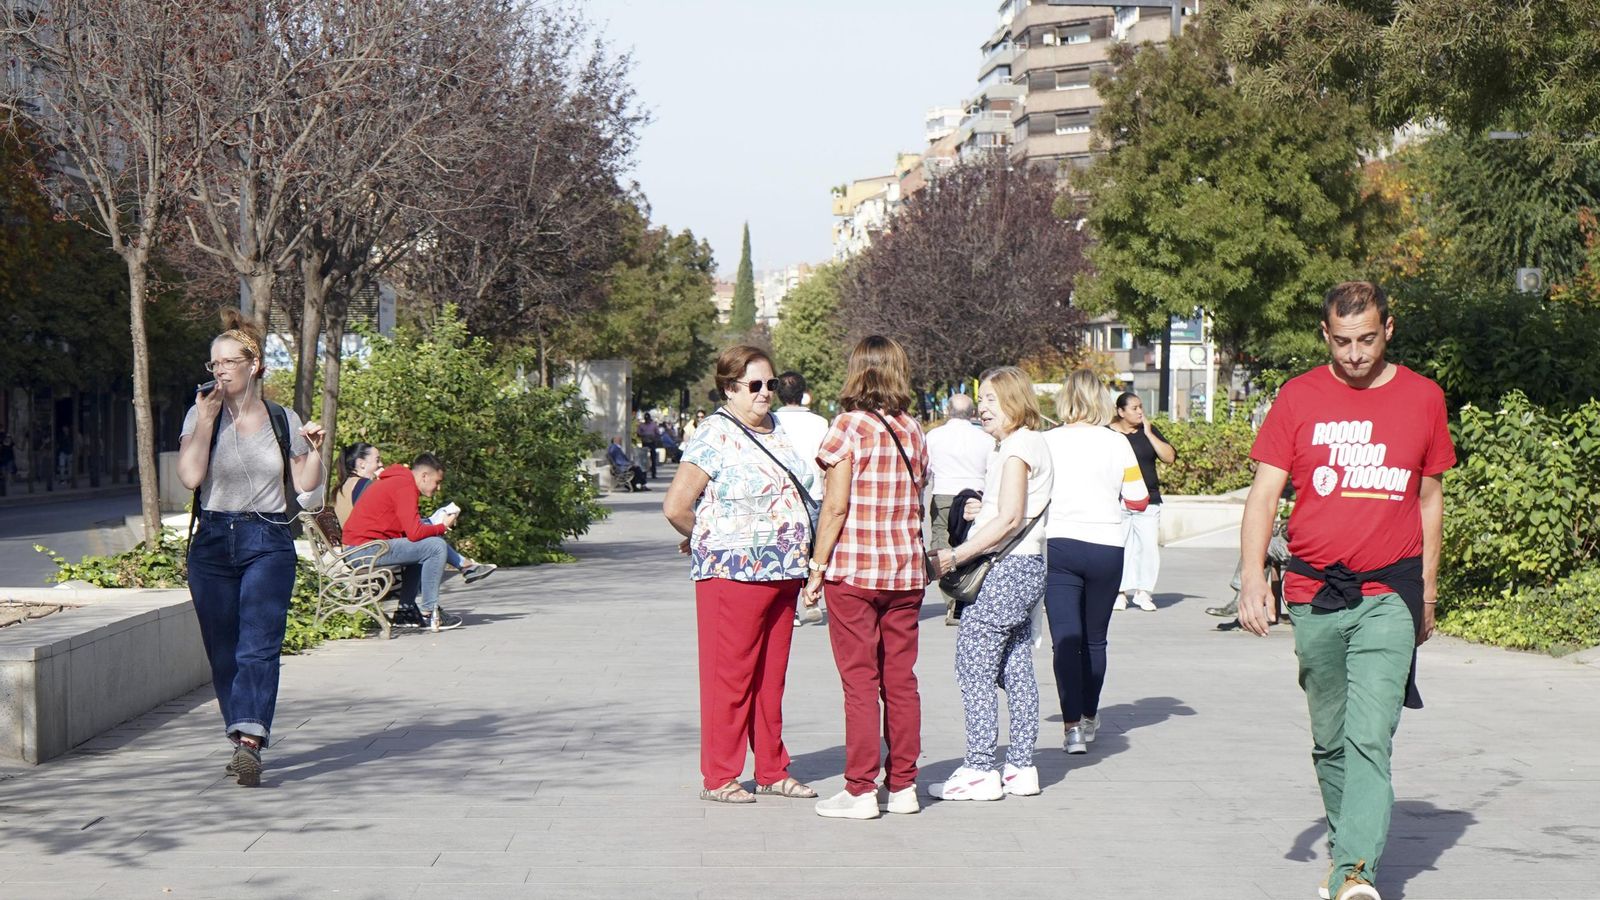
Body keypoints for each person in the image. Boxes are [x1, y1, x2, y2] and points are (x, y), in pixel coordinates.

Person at [1239, 281, 1454, 900]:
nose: (1355, 353)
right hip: (1313, 592)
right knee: (1330, 737)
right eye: (1341, 342)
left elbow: (1430, 499)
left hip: (1390, 591)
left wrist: (1428, 594)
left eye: (1366, 339)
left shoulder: (1423, 397)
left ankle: (1355, 871)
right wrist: (1254, 578)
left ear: (1389, 329)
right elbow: (1263, 494)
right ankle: (1345, 849)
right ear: (1324, 336)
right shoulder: (1299, 396)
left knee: (1369, 733)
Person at [662, 345, 817, 805]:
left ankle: (771, 768)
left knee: (771, 680)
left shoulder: (778, 429)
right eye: (755, 385)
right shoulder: (714, 434)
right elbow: (675, 506)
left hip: (784, 572)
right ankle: (720, 775)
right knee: (729, 679)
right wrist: (710, 537)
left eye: (770, 384)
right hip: (732, 576)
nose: (766, 393)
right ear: (730, 388)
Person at [178, 309, 326, 787]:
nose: (219, 370)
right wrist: (203, 423)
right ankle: (241, 728)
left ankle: (249, 742)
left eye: (227, 361)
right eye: (213, 363)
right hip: (213, 540)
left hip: (267, 538)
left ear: (254, 363)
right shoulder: (200, 412)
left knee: (258, 644)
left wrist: (316, 450)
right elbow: (190, 477)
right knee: (224, 650)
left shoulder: (284, 419)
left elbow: (306, 488)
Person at [804, 335, 928, 820]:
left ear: (857, 370)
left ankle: (860, 790)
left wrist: (816, 568)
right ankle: (903, 786)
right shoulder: (914, 429)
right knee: (901, 681)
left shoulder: (847, 427)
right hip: (905, 570)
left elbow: (835, 506)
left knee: (860, 681)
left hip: (855, 570)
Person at [927, 367, 1053, 801]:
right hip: (1028, 565)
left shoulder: (1017, 447)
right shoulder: (1026, 444)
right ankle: (1021, 765)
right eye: (981, 401)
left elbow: (1012, 516)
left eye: (992, 401)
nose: (983, 409)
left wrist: (955, 556)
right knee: (1015, 666)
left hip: (1005, 566)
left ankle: (980, 766)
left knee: (974, 664)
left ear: (1016, 402)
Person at [1042, 369, 1149, 755]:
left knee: (1065, 641)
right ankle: (1089, 715)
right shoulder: (1118, 443)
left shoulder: (1046, 442)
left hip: (1060, 546)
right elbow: (1138, 499)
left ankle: (1071, 727)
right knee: (1095, 639)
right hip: (1106, 546)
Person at [336, 443, 494, 584]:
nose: (381, 464)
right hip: (366, 549)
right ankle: (461, 571)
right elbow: (374, 522)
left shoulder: (344, 486)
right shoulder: (366, 486)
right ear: (361, 464)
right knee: (430, 543)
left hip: (363, 545)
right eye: (377, 460)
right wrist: (440, 526)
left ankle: (463, 568)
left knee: (426, 535)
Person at [341, 453, 465, 633]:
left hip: (364, 547)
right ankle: (430, 612)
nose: (438, 488)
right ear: (424, 476)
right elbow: (414, 533)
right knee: (435, 547)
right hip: (363, 551)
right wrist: (442, 527)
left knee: (427, 545)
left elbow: (410, 531)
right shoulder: (404, 485)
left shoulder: (400, 482)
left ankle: (405, 612)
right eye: (437, 482)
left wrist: (434, 528)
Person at [925, 393, 996, 625]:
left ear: (948, 411)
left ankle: (951, 597)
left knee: (941, 543)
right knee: (971, 545)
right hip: (975, 496)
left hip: (944, 494)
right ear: (972, 413)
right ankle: (968, 590)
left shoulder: (934, 436)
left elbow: (925, 471)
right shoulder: (984, 438)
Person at [1108, 392, 1176, 612]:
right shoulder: (1108, 434)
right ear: (1120, 411)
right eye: (1134, 408)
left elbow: (1169, 457)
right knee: (1121, 547)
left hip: (1149, 499)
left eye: (1140, 407)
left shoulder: (1148, 431)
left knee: (1148, 547)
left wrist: (1149, 433)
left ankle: (1143, 592)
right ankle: (1119, 593)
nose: (1140, 412)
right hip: (1118, 500)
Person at [773, 371, 831, 626]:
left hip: (780, 495)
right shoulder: (820, 423)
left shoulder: (770, 421)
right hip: (813, 494)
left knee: (784, 549)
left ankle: (789, 608)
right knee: (811, 549)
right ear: (804, 393)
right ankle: (812, 599)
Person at [637, 413, 661, 479]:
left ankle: (654, 474)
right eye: (646, 419)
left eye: (648, 419)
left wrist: (654, 439)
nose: (647, 421)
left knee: (653, 458)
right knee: (644, 459)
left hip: (652, 443)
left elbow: (658, 434)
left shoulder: (654, 425)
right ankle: (644, 474)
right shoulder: (641, 425)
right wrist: (643, 435)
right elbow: (638, 433)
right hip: (645, 443)